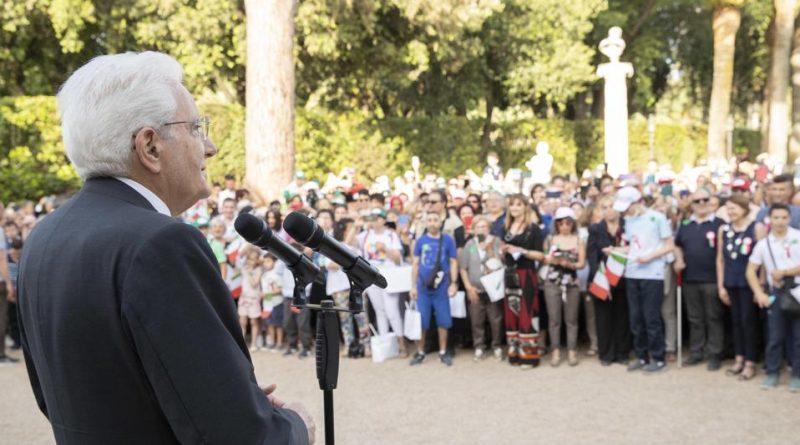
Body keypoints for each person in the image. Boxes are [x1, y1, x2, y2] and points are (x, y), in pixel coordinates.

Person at [16, 52, 313, 443]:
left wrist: (229, 399)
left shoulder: (44, 236)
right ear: (150, 147)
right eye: (195, 128)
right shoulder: (161, 243)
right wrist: (295, 426)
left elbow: (61, 398)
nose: (210, 147)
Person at [614, 186, 674, 374]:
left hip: (652, 273)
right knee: (635, 318)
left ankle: (658, 357)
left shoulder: (657, 218)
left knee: (651, 317)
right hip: (632, 272)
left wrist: (650, 257)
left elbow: (669, 246)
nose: (625, 211)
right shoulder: (628, 221)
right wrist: (614, 250)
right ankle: (641, 355)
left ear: (637, 203)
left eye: (627, 207)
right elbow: (632, 247)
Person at [746, 204, 800, 392]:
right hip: (776, 293)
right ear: (769, 219)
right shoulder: (764, 244)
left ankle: (797, 375)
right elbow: (751, 270)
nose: (780, 221)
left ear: (789, 218)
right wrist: (759, 293)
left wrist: (785, 272)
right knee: (775, 336)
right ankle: (772, 372)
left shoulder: (797, 237)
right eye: (776, 217)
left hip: (798, 291)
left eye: (784, 217)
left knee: (797, 336)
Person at [674, 187, 726, 370]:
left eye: (705, 200)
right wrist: (679, 259)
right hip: (690, 278)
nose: (702, 204)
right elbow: (677, 245)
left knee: (713, 317)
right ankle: (697, 351)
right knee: (695, 318)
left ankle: (715, 353)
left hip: (712, 279)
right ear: (692, 205)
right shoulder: (686, 224)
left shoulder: (720, 224)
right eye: (697, 201)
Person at [501, 194, 546, 368]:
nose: (514, 208)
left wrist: (521, 250)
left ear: (525, 207)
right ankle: (514, 353)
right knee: (512, 313)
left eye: (518, 205)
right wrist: (502, 250)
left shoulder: (533, 229)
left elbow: (541, 255)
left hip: (526, 274)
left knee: (528, 312)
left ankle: (529, 356)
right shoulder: (505, 228)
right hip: (510, 274)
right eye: (512, 205)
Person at [716, 194, 758, 381]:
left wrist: (761, 285)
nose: (731, 211)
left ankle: (750, 361)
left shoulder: (755, 228)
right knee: (736, 321)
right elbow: (720, 259)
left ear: (744, 208)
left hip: (749, 282)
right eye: (728, 208)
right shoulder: (723, 230)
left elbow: (761, 259)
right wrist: (721, 285)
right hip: (731, 280)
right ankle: (739, 357)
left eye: (735, 208)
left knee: (748, 321)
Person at [409, 212, 459, 366]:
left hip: (441, 287)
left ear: (440, 221)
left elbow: (453, 262)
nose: (432, 223)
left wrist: (454, 282)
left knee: (443, 321)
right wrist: (412, 286)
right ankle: (421, 351)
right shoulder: (420, 241)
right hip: (423, 288)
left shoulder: (448, 240)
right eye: (429, 220)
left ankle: (443, 351)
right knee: (422, 321)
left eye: (435, 220)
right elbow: (415, 263)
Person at [587, 196, 630, 366]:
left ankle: (623, 353)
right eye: (604, 207)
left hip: (625, 278)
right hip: (602, 278)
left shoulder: (628, 226)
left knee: (623, 316)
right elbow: (592, 256)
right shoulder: (595, 229)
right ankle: (606, 354)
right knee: (603, 317)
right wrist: (599, 277)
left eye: (612, 205)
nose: (609, 209)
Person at [542, 208, 586, 366]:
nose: (565, 226)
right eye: (561, 223)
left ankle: (572, 349)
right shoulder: (550, 239)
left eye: (568, 222)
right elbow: (545, 259)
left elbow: (582, 263)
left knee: (571, 319)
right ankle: (555, 350)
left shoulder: (578, 240)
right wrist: (554, 260)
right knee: (554, 319)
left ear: (572, 223)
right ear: (556, 224)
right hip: (553, 281)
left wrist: (568, 263)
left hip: (571, 282)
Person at [459, 215, 504, 361]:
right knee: (476, 320)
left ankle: (496, 346)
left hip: (493, 288)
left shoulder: (496, 241)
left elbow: (499, 262)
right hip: (475, 289)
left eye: (484, 227)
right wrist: (468, 287)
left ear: (489, 228)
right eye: (478, 227)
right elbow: (463, 268)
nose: (481, 230)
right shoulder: (470, 244)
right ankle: (479, 346)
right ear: (473, 229)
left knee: (495, 319)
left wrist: (489, 249)